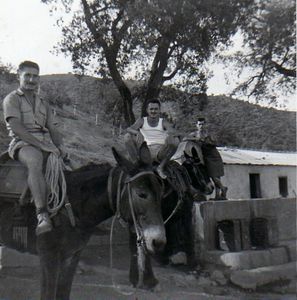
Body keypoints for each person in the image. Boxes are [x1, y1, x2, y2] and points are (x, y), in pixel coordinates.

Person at [2, 60, 64, 235]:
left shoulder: (43, 102)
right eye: (27, 75)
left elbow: (53, 127)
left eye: (35, 76)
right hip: (22, 143)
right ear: (18, 77)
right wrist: (43, 146)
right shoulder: (12, 99)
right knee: (35, 161)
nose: (31, 80)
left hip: (43, 143)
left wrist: (60, 147)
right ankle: (42, 214)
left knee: (67, 166)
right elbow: (16, 127)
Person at [124, 99, 179, 179]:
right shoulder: (142, 120)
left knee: (176, 140)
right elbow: (129, 129)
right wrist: (137, 133)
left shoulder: (163, 121)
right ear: (147, 110)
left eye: (156, 109)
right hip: (145, 151)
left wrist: (169, 133)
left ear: (159, 110)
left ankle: (161, 167)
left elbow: (172, 130)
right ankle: (136, 163)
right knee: (127, 136)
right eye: (151, 109)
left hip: (160, 151)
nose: (153, 111)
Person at [184, 117, 228, 200]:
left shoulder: (208, 134)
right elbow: (185, 138)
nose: (201, 126)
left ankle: (220, 193)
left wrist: (204, 140)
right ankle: (221, 190)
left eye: (203, 124)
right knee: (213, 176)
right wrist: (195, 139)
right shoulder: (194, 134)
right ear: (196, 125)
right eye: (200, 124)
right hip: (206, 158)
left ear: (205, 125)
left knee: (216, 177)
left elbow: (214, 143)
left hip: (214, 156)